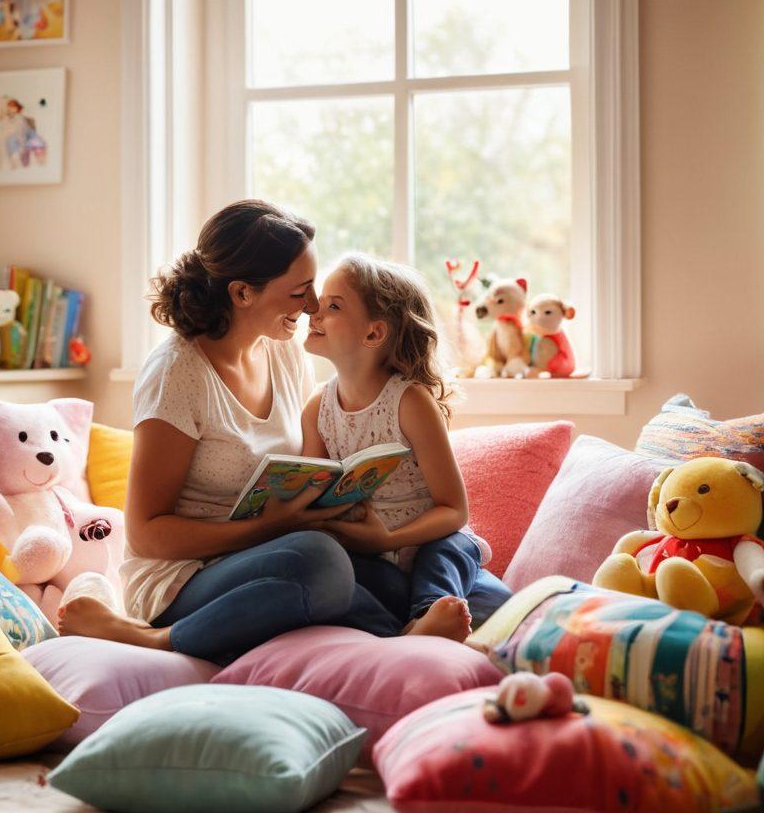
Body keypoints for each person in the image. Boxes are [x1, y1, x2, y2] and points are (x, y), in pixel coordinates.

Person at [57, 201, 405, 663]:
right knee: (318, 562)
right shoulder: (178, 374)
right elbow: (146, 534)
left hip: (265, 552)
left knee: (391, 580)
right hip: (182, 577)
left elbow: (302, 467)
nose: (313, 306)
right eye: (300, 291)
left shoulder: (282, 354)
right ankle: (152, 638)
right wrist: (266, 528)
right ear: (243, 294)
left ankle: (402, 629)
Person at [302, 253, 512, 641]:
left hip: (432, 546)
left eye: (332, 306)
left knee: (451, 553)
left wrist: (389, 539)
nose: (312, 312)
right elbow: (311, 495)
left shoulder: (410, 402)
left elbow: (454, 510)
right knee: (328, 569)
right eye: (317, 302)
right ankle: (406, 629)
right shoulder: (318, 408)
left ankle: (428, 616)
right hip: (373, 559)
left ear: (373, 334)